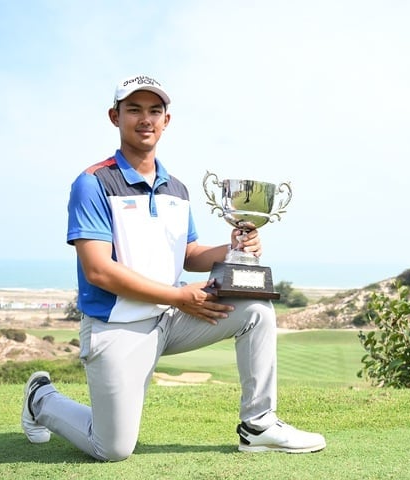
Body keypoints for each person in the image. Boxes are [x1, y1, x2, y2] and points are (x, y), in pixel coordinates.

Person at [20, 74, 326, 461]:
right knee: (112, 448)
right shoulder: (93, 182)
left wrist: (230, 248)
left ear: (167, 120)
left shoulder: (176, 189)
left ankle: (259, 424)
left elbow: (188, 253)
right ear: (115, 117)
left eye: (154, 110)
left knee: (256, 311)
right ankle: (41, 399)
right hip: (118, 326)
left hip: (170, 319)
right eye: (134, 110)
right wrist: (179, 297)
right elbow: (98, 270)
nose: (145, 119)